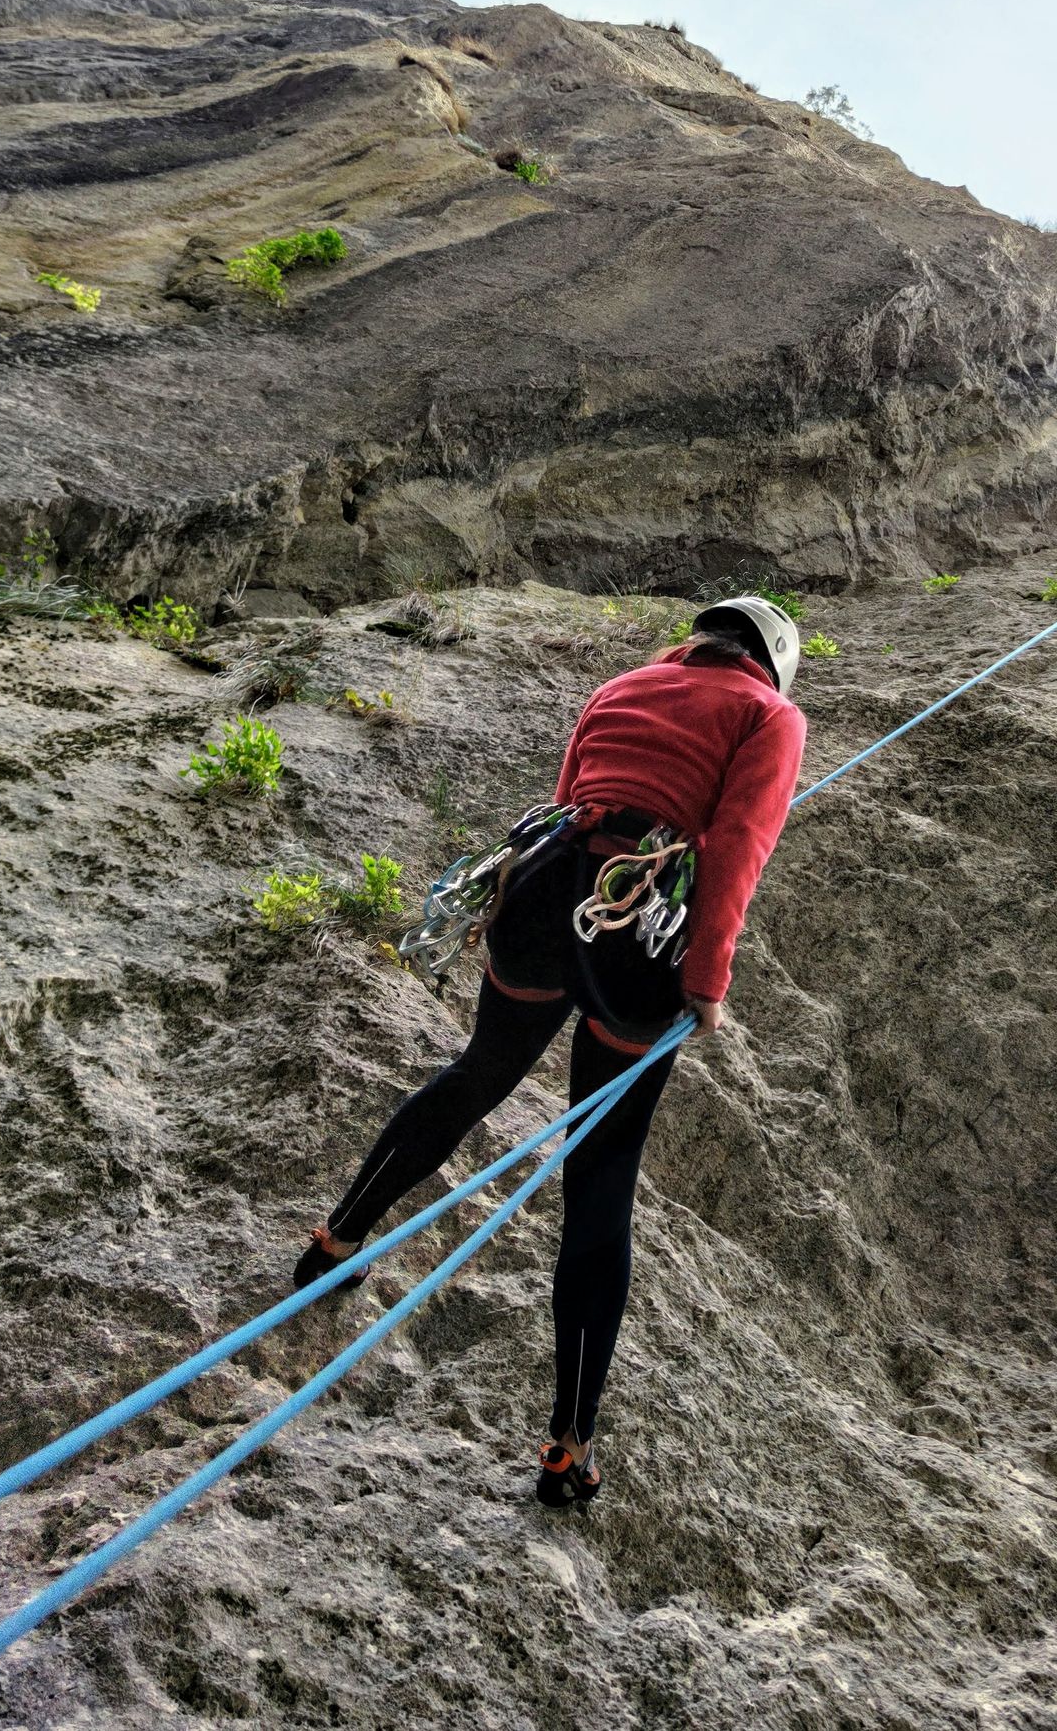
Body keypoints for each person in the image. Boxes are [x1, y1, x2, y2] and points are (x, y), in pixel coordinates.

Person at [291, 594, 806, 1506]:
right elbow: (736, 846)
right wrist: (707, 981)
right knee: (601, 1170)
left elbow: (573, 795)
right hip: (634, 926)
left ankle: (336, 1241)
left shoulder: (622, 685)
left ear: (700, 641)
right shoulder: (770, 715)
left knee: (480, 1072)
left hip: (545, 888)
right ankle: (567, 1444)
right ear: (769, 661)